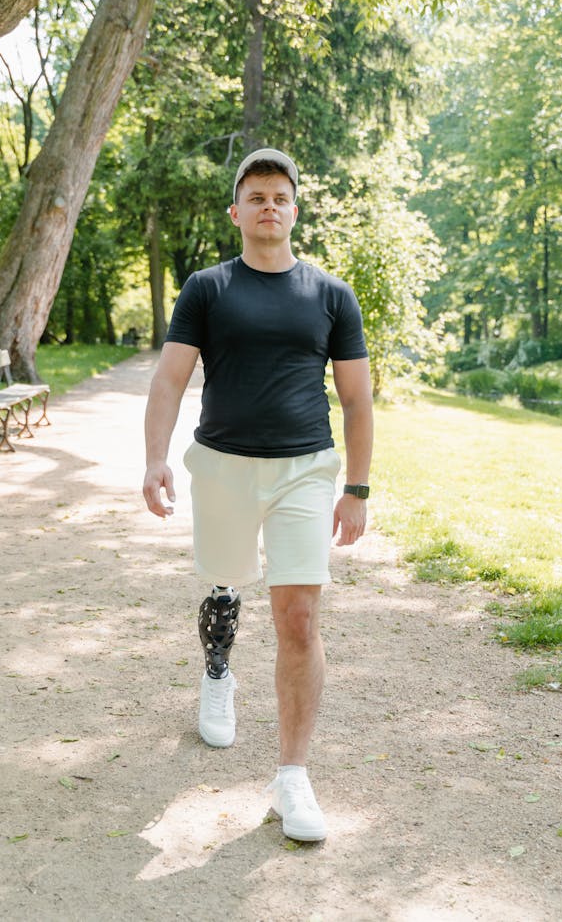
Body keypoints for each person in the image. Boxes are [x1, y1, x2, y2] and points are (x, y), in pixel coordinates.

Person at [142, 147, 373, 843]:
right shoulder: (207, 289)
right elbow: (168, 380)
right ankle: (219, 667)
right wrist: (155, 458)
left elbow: (357, 398)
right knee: (224, 580)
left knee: (299, 616)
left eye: (281, 196)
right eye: (257, 196)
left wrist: (356, 487)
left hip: (305, 469)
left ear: (294, 210)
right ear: (236, 211)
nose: (269, 205)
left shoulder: (331, 294)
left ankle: (292, 779)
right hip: (222, 466)